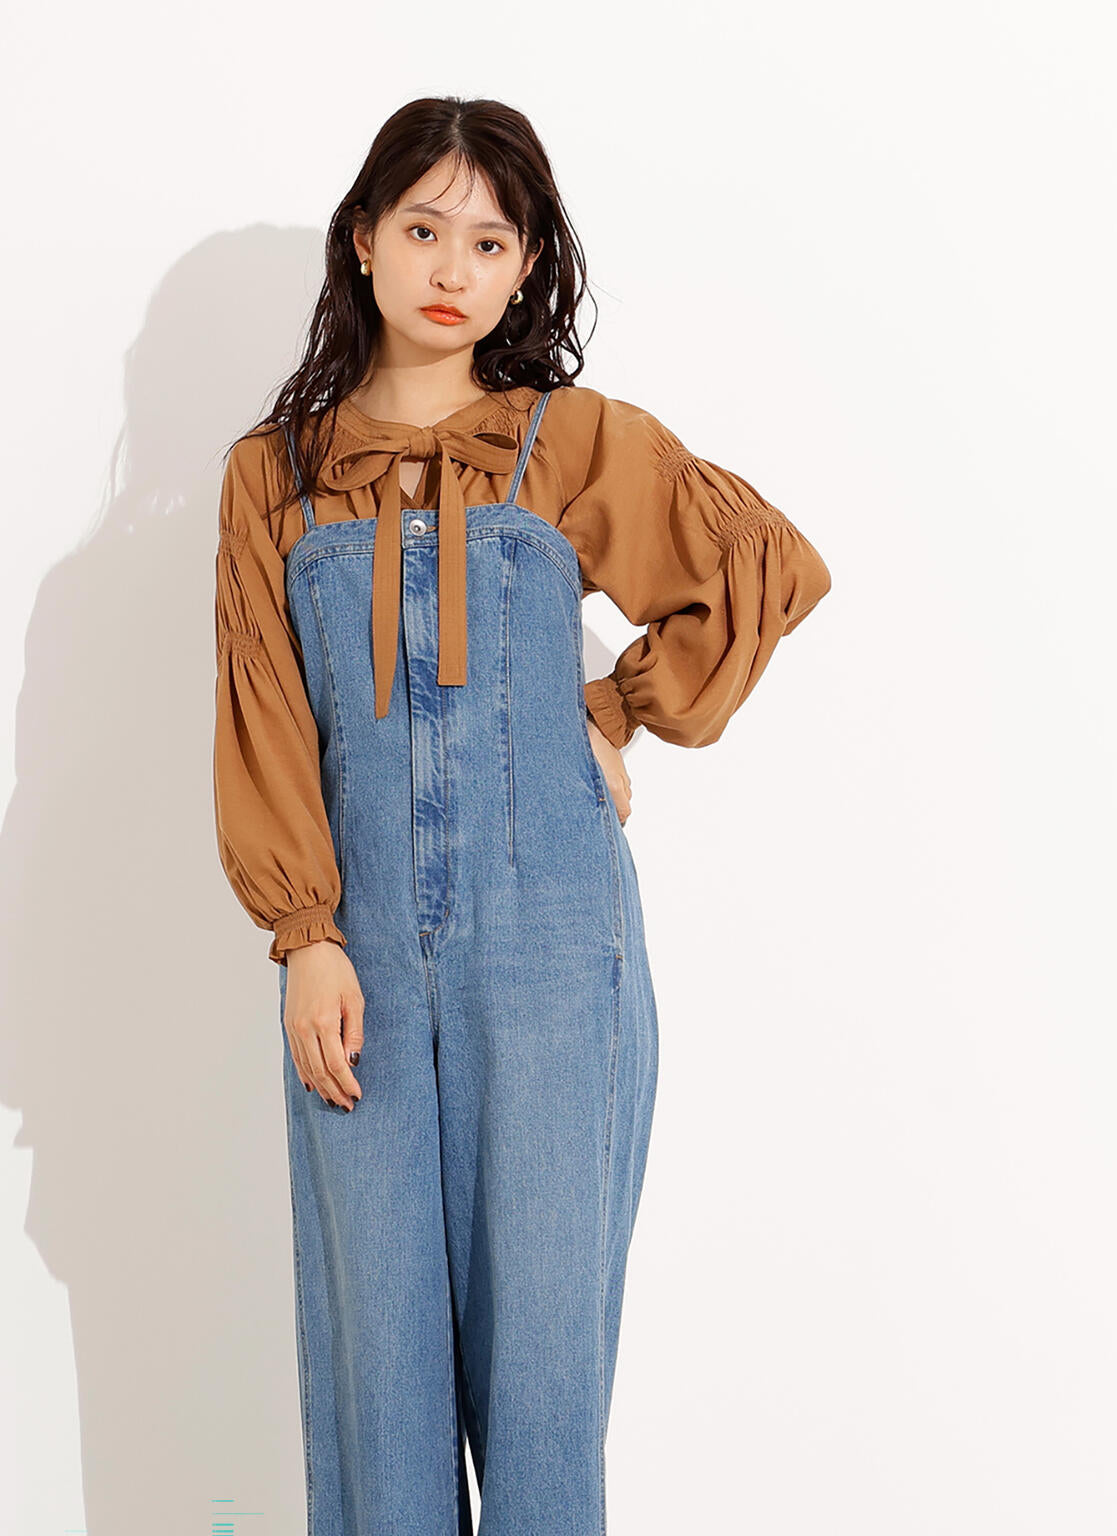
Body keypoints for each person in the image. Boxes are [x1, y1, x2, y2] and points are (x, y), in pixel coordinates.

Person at [212, 95, 831, 1536]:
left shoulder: (571, 440)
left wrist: (608, 708)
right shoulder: (275, 473)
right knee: (377, 1389)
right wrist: (306, 934)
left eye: (491, 241)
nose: (453, 268)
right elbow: (263, 710)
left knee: (546, 1392)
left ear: (528, 265)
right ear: (363, 240)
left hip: (556, 952)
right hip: (355, 961)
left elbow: (760, 564)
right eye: (424, 228)